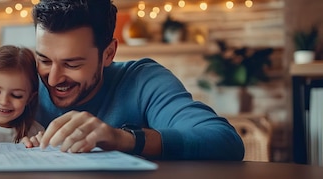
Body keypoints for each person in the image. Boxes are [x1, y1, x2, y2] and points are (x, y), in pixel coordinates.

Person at [26, 0, 244, 160]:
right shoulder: (20, 81)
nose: (53, 79)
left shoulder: (143, 80)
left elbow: (224, 141)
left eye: (72, 64)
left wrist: (124, 139)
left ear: (109, 53)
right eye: (44, 60)